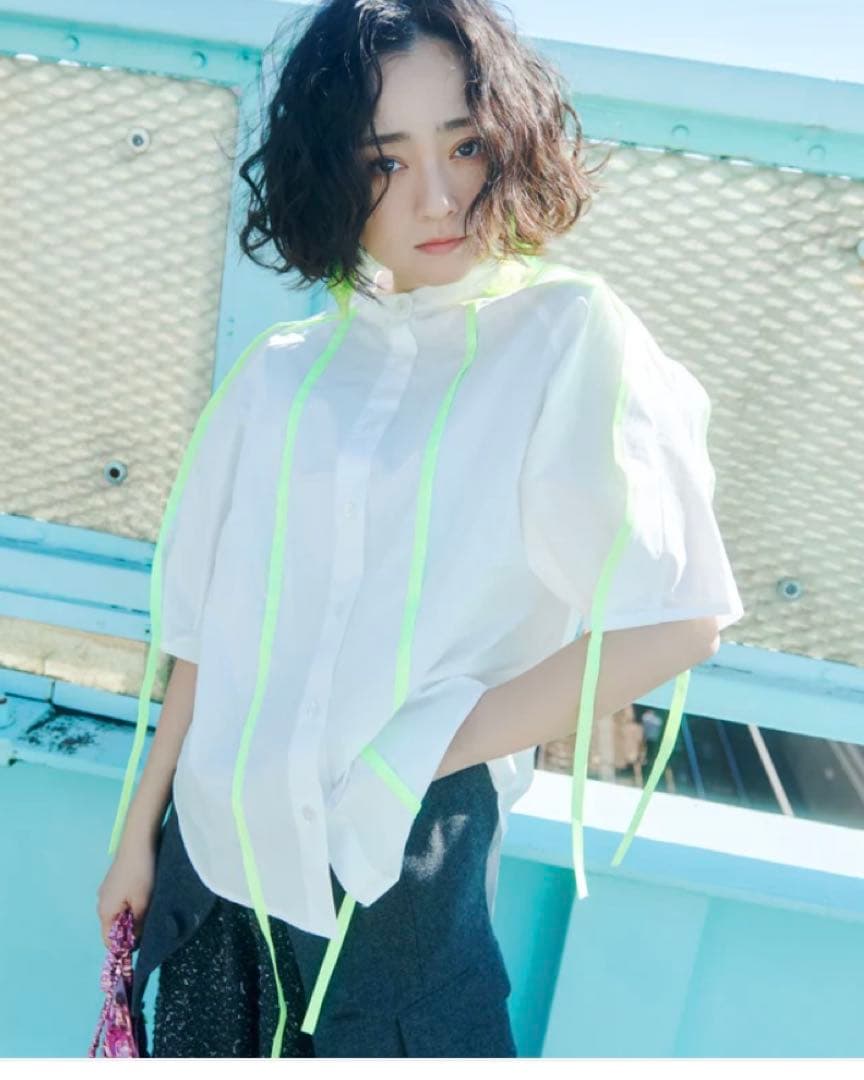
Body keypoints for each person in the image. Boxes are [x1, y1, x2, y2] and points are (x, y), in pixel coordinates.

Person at [96, 0, 745, 1059]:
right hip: (211, 864)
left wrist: (417, 752)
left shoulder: (568, 336)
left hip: (397, 871)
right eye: (384, 161)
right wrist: (138, 837)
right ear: (330, 174)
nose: (436, 197)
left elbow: (678, 618)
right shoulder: (283, 372)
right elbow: (212, 635)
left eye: (465, 146)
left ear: (512, 142)